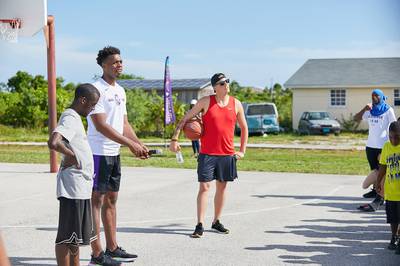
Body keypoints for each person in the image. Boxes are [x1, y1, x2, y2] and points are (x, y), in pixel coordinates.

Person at [87, 46, 149, 265]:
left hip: (114, 153)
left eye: (121, 61)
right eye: (114, 62)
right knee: (96, 202)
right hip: (98, 153)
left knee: (112, 200)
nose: (119, 65)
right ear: (103, 65)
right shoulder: (95, 89)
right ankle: (97, 254)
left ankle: (112, 247)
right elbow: (101, 126)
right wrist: (130, 145)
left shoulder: (120, 90)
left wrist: (139, 144)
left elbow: (124, 124)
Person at [170, 73, 248, 238]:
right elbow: (185, 119)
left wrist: (242, 150)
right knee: (204, 188)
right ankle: (199, 224)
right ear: (214, 87)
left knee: (222, 188)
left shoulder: (236, 104)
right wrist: (174, 139)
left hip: (227, 154)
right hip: (207, 154)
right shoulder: (205, 102)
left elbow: (244, 128)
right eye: (221, 83)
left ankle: (216, 221)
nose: (226, 84)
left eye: (227, 81)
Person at [48, 83, 100, 266]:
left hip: (80, 188)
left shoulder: (76, 117)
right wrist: (72, 156)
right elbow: (54, 142)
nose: (93, 108)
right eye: (92, 104)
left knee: (75, 237)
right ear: (82, 100)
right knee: (66, 236)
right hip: (72, 189)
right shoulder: (70, 116)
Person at [354, 89, 396, 212]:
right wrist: (364, 109)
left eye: (376, 95)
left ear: (382, 97)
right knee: (374, 171)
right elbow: (355, 119)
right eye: (372, 95)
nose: (374, 97)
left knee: (381, 172)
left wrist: (393, 142)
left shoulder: (388, 110)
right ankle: (375, 190)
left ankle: (380, 197)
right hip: (370, 146)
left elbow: (394, 126)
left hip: (382, 146)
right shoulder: (370, 110)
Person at [376, 121, 400, 253]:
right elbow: (383, 167)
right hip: (391, 191)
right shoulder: (386, 147)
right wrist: (378, 182)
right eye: (391, 137)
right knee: (393, 218)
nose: (393, 140)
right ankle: (394, 236)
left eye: (397, 136)